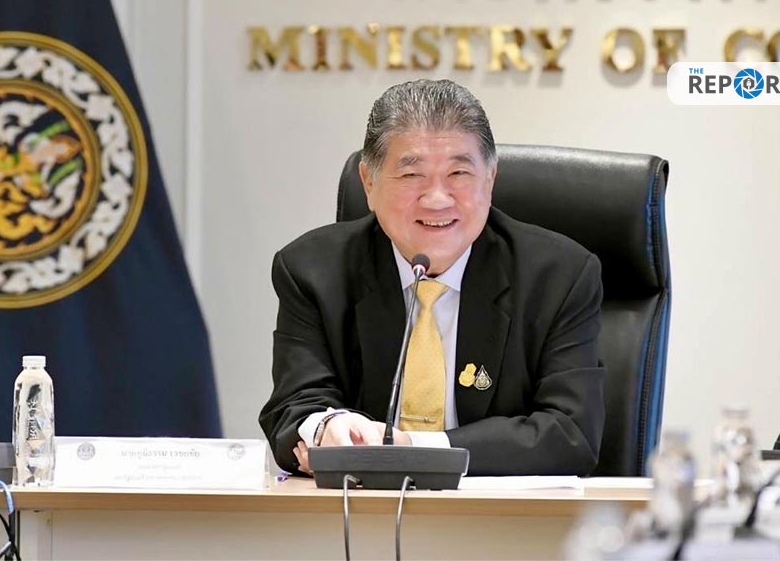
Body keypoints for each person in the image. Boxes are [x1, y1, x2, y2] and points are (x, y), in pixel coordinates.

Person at [259, 79, 605, 476]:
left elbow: (570, 434)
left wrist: (414, 449)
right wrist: (326, 427)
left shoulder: (559, 276)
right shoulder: (313, 271)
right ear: (368, 182)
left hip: (499, 512)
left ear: (490, 179)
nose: (437, 199)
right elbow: (293, 408)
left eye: (459, 172)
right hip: (361, 510)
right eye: (412, 175)